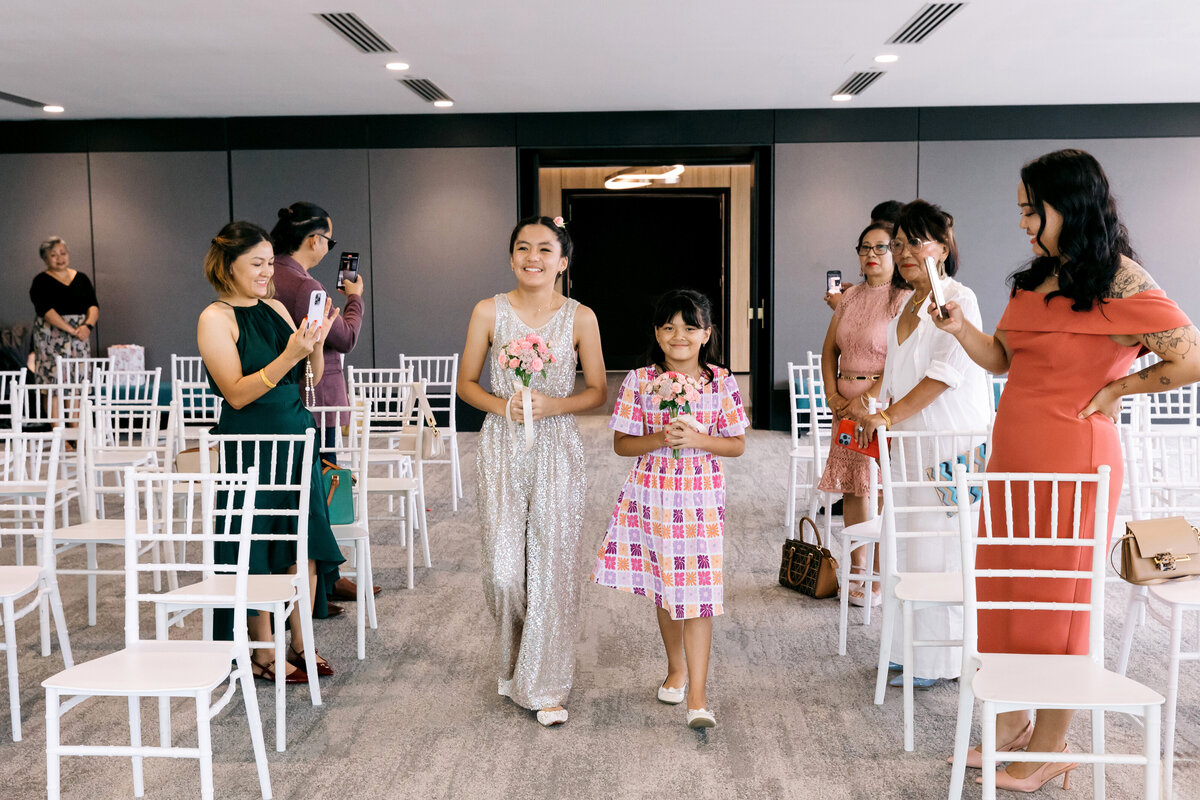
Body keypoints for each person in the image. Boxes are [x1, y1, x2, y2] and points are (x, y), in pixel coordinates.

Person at [932, 148, 1200, 791]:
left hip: (1076, 458)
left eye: (1032, 210)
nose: (1023, 223)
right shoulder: (1033, 281)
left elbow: (1190, 359)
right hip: (1015, 455)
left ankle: (1052, 741)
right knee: (1001, 586)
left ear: (1070, 205)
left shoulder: (1121, 280)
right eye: (1021, 211)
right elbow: (1000, 360)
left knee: (1059, 598)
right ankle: (1009, 720)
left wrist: (1116, 392)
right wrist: (960, 326)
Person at [457, 215, 607, 727]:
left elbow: (597, 392)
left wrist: (552, 405)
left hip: (557, 446)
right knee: (502, 572)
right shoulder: (487, 311)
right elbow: (466, 385)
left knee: (551, 567)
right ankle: (513, 662)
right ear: (512, 256)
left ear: (563, 262)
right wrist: (505, 408)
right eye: (523, 247)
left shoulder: (580, 317)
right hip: (500, 445)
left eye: (545, 249)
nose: (533, 257)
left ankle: (544, 685)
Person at [848, 200, 991, 686]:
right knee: (904, 546)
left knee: (940, 551)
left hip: (948, 443)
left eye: (917, 241)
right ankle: (908, 650)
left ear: (944, 246)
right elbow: (892, 378)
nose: (906, 251)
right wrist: (870, 408)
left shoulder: (958, 298)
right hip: (906, 444)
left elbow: (944, 375)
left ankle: (941, 660)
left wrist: (886, 414)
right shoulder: (906, 304)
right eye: (901, 242)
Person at [591, 289, 748, 729]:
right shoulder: (640, 380)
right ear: (657, 335)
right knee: (668, 585)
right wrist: (663, 438)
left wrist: (696, 439)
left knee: (699, 593)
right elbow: (623, 444)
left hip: (701, 498)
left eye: (690, 327)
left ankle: (697, 698)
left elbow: (736, 444)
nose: (679, 335)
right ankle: (676, 669)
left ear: (707, 333)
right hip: (654, 495)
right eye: (668, 327)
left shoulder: (721, 381)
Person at [197, 220, 345, 683]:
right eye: (257, 264)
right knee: (258, 542)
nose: (267, 273)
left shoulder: (278, 307)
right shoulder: (215, 317)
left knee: (303, 542)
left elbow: (310, 379)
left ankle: (301, 642)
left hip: (297, 433)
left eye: (268, 263)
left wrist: (315, 343)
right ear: (228, 267)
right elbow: (237, 394)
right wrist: (290, 354)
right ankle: (262, 648)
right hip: (252, 441)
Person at [268, 200, 376, 612]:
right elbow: (345, 338)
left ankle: (325, 577)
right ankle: (324, 580)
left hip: (283, 396)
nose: (330, 249)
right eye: (329, 242)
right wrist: (355, 298)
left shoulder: (267, 275)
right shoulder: (307, 286)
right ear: (314, 239)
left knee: (296, 491)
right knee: (321, 488)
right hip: (318, 398)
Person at [818, 222, 911, 606]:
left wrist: (866, 398)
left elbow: (900, 360)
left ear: (896, 253)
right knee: (854, 486)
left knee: (881, 486)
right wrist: (830, 392)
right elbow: (829, 350)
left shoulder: (904, 299)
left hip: (881, 403)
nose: (871, 255)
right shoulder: (849, 297)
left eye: (880, 247)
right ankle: (857, 568)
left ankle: (878, 572)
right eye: (864, 248)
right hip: (845, 401)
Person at [29, 236, 98, 384]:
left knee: (79, 382)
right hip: (51, 336)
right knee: (53, 383)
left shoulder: (82, 278)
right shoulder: (40, 281)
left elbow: (93, 305)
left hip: (81, 335)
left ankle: (76, 409)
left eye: (63, 253)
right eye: (53, 255)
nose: (59, 258)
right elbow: (46, 310)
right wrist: (71, 330)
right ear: (45, 259)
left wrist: (87, 326)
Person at [824, 200, 903, 311]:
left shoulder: (905, 296)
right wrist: (857, 296)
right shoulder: (854, 292)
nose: (871, 253)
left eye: (880, 246)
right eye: (866, 247)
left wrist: (842, 309)